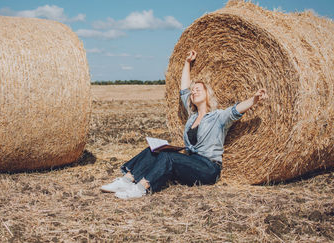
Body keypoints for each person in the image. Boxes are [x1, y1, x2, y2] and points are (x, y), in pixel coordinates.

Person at [101, 50, 268, 199]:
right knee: (155, 150)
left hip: (208, 168)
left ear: (208, 94)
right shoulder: (191, 116)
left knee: (168, 157)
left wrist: (254, 99)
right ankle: (126, 180)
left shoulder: (218, 117)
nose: (194, 92)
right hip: (190, 164)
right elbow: (184, 90)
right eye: (193, 90)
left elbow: (235, 110)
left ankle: (141, 188)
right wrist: (187, 62)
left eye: (198, 90)